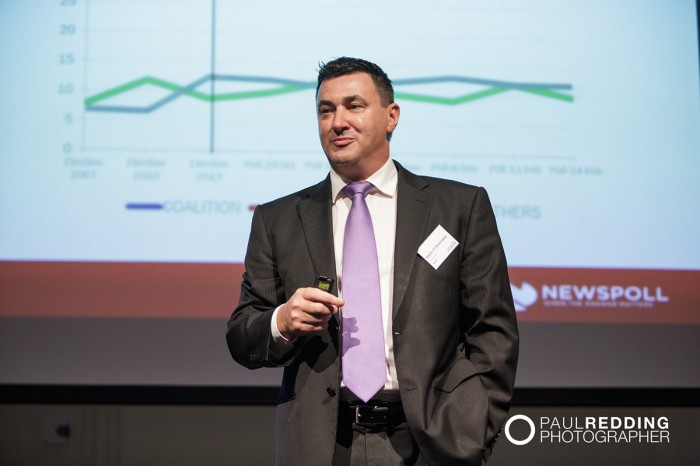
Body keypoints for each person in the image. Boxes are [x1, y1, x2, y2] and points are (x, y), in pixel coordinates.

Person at [227, 57, 519, 465]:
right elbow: (242, 336)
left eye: (354, 106)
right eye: (325, 110)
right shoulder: (278, 219)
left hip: (432, 443)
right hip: (320, 446)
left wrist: (475, 426)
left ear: (391, 116)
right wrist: (281, 322)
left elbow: (493, 330)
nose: (337, 121)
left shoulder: (458, 207)